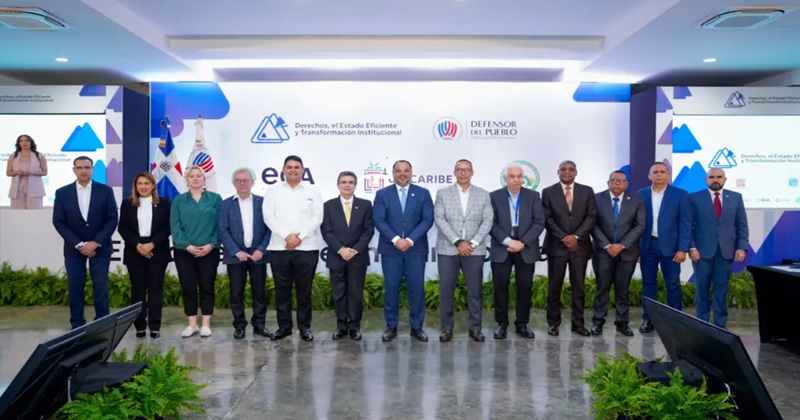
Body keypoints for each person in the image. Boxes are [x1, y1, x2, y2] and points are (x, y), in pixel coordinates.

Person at [52, 156, 118, 329]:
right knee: (75, 287)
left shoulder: (106, 191)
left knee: (101, 288)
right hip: (74, 249)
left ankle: (102, 324)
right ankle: (77, 325)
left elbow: (112, 219)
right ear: (74, 170)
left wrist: (96, 242)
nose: (83, 171)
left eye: (87, 167)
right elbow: (58, 222)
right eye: (79, 167)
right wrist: (80, 244)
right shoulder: (62, 193)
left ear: (92, 170)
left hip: (100, 248)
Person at [263, 155, 324, 342]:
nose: (293, 170)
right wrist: (286, 236)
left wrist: (299, 237)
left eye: (297, 167)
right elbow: (268, 216)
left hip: (307, 248)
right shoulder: (273, 191)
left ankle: (305, 327)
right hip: (279, 248)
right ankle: (284, 327)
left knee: (304, 291)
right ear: (283, 170)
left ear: (303, 170)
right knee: (282, 290)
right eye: (289, 167)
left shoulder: (313, 190)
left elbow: (317, 218)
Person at [373, 160, 434, 342]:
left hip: (415, 250)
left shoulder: (423, 193)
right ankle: (391, 327)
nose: (402, 174)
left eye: (406, 171)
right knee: (391, 289)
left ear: (411, 172)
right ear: (393, 173)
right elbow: (379, 219)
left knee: (416, 289)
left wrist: (409, 240)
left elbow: (427, 219)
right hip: (391, 250)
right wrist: (396, 239)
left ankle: (417, 327)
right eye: (398, 171)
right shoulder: (382, 194)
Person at [434, 159, 493, 342]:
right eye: (459, 170)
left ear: (472, 173)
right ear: (454, 172)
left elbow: (488, 221)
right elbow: (439, 219)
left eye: (467, 170)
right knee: (446, 291)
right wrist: (458, 242)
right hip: (448, 249)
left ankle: (475, 328)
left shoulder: (483, 194)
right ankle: (446, 328)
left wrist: (472, 243)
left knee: (475, 291)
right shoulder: (443, 193)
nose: (463, 173)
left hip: (475, 250)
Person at [489, 162, 545, 339]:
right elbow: (490, 223)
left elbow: (539, 222)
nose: (516, 180)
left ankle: (522, 323)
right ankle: (501, 323)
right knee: (500, 287)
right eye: (512, 176)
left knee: (525, 287)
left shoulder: (533, 196)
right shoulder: (494, 196)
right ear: (505, 178)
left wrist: (523, 242)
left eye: (519, 176)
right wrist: (508, 241)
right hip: (502, 247)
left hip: (525, 248)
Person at [541, 160, 597, 337]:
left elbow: (591, 216)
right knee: (554, 287)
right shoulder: (548, 192)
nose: (567, 172)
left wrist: (576, 236)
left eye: (570, 169)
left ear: (576, 172)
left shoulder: (587, 191)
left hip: (580, 246)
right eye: (563, 169)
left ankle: (578, 324)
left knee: (578, 287)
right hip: (557, 246)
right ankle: (553, 323)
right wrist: (564, 237)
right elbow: (546, 218)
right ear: (558, 172)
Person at [689, 168, 749, 329]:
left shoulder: (736, 198)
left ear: (725, 179)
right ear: (706, 180)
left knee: (721, 288)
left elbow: (742, 224)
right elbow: (687, 225)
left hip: (726, 251)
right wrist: (692, 247)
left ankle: (720, 324)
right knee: (701, 288)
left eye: (719, 177)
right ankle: (702, 322)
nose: (715, 180)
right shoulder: (694, 198)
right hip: (701, 252)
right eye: (711, 177)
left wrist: (741, 247)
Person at [636, 162, 691, 334]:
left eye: (662, 172)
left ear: (668, 175)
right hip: (647, 246)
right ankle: (648, 319)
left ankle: (675, 320)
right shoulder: (641, 194)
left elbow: (685, 223)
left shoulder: (680, 194)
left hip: (672, 248)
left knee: (673, 284)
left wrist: (683, 249)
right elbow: (635, 223)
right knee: (648, 284)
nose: (659, 175)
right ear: (649, 175)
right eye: (655, 172)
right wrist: (637, 249)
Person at [218, 167, 273, 340]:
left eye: (246, 180)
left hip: (258, 255)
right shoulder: (226, 204)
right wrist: (236, 251)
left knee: (260, 292)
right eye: (238, 180)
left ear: (252, 182)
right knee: (236, 293)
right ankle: (239, 326)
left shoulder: (263, 202)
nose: (242, 183)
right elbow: (222, 230)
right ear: (233, 183)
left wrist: (261, 249)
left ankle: (259, 325)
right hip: (236, 256)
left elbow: (269, 229)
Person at [589, 171, 645, 336]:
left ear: (626, 184)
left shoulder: (636, 200)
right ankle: (598, 322)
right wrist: (607, 245)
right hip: (602, 251)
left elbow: (640, 226)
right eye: (614, 180)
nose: (617, 183)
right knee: (602, 288)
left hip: (627, 252)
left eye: (621, 181)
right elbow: (592, 224)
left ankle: (622, 323)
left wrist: (621, 245)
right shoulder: (596, 199)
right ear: (608, 182)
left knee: (623, 289)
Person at [321, 171, 375, 341]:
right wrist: (341, 249)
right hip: (337, 256)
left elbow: (368, 230)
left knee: (355, 293)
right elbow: (326, 231)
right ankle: (341, 326)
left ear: (355, 185)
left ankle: (354, 327)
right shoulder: (328, 206)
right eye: (343, 182)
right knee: (338, 293)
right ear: (338, 185)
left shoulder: (365, 205)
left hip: (357, 257)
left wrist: (355, 250)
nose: (347, 185)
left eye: (351, 182)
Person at [170, 165, 223, 338]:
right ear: (186, 180)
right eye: (191, 176)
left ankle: (206, 324)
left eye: (198, 176)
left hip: (209, 251)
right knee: (188, 287)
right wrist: (187, 246)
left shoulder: (215, 199)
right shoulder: (179, 200)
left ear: (204, 179)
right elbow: (175, 226)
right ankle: (192, 325)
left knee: (207, 286)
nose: (195, 178)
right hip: (184, 251)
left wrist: (211, 244)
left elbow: (221, 225)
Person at [118, 172, 171, 339]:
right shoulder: (127, 203)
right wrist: (138, 245)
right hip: (135, 250)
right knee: (138, 290)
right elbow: (122, 228)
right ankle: (139, 326)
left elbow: (167, 228)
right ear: (135, 186)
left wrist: (152, 244)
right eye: (140, 183)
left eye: (147, 183)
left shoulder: (164, 203)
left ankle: (155, 326)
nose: (143, 186)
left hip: (157, 250)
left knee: (155, 289)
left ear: (153, 185)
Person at [7, 134, 47, 209]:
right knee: (17, 212)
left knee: (34, 211)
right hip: (18, 187)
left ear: (31, 142)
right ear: (18, 144)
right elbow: (8, 173)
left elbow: (45, 172)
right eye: (21, 141)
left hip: (35, 186)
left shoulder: (39, 155)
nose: (24, 143)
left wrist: (32, 172)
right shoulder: (13, 156)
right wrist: (17, 172)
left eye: (27, 140)